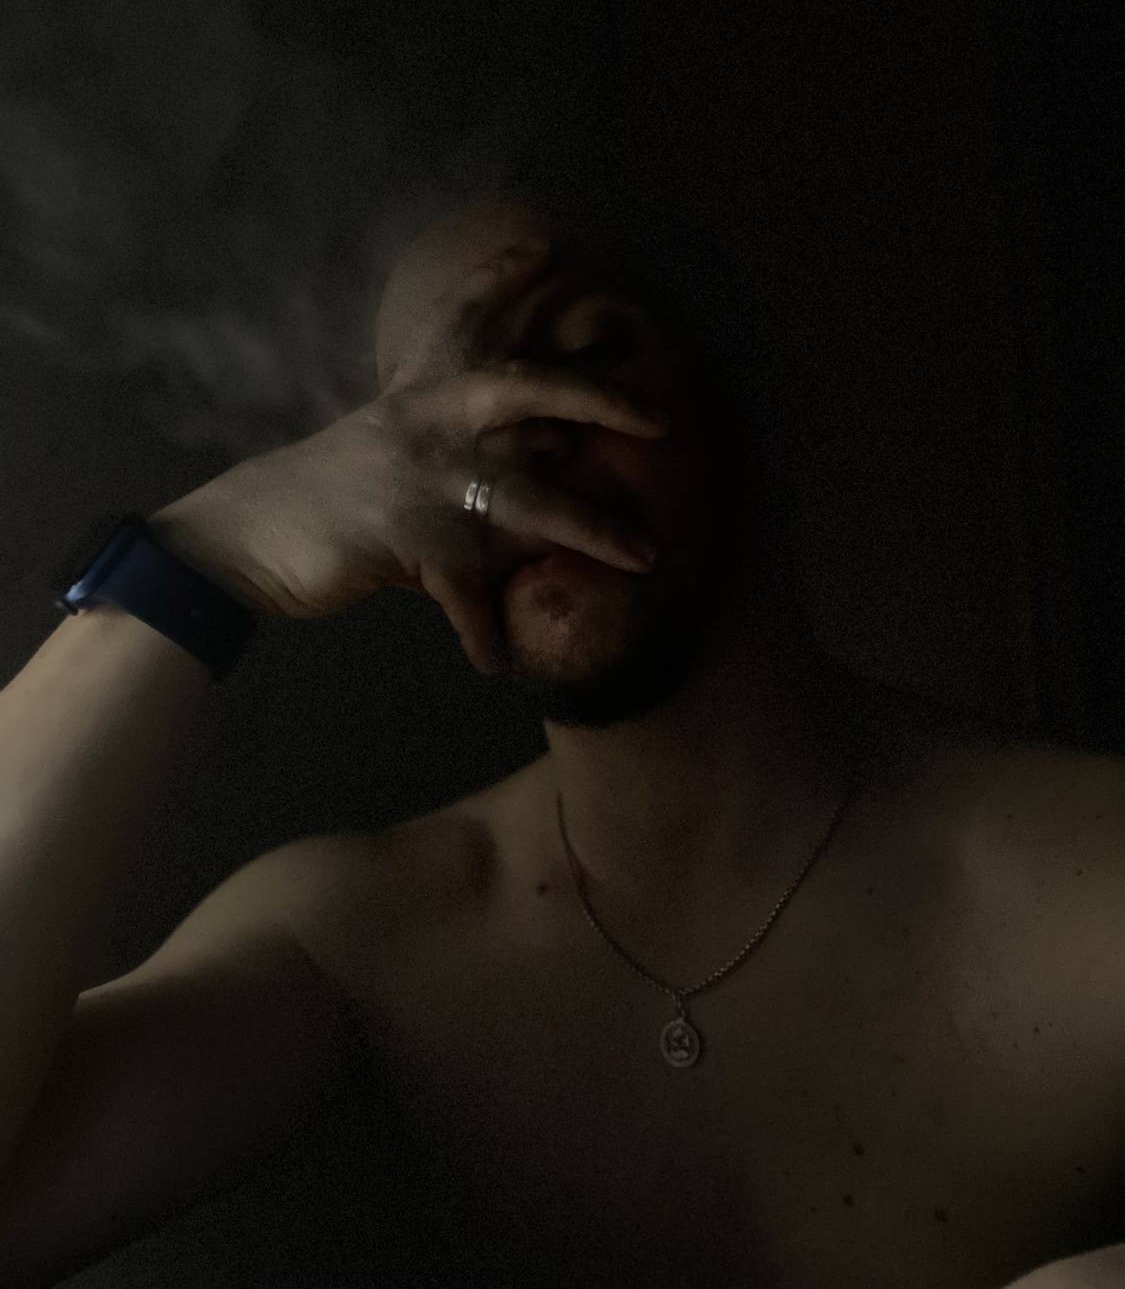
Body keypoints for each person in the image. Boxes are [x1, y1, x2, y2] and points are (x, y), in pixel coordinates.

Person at [1, 190, 1123, 1287]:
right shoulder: (362, 938)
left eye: (588, 352)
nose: (510, 442)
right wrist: (211, 553)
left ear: (754, 403)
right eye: (431, 412)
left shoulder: (1090, 879)